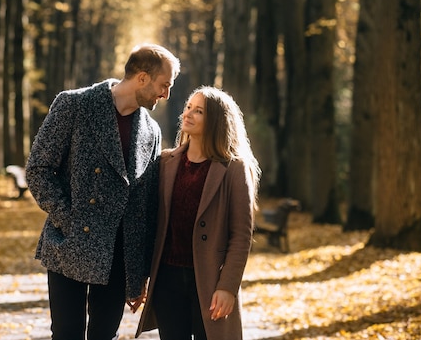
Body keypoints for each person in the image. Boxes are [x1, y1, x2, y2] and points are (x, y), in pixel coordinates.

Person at [26, 43, 180, 340]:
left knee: (104, 335)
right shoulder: (74, 105)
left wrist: (139, 275)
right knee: (67, 333)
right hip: (70, 241)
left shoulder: (151, 131)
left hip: (119, 254)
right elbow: (39, 169)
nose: (166, 94)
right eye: (164, 85)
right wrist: (68, 217)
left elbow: (145, 207)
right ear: (143, 78)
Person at [136, 86, 261, 340]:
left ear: (216, 120)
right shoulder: (166, 162)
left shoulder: (234, 168)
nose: (188, 114)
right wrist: (139, 277)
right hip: (167, 280)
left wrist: (227, 287)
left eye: (199, 111)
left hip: (209, 280)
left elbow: (240, 235)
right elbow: (150, 224)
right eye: (189, 107)